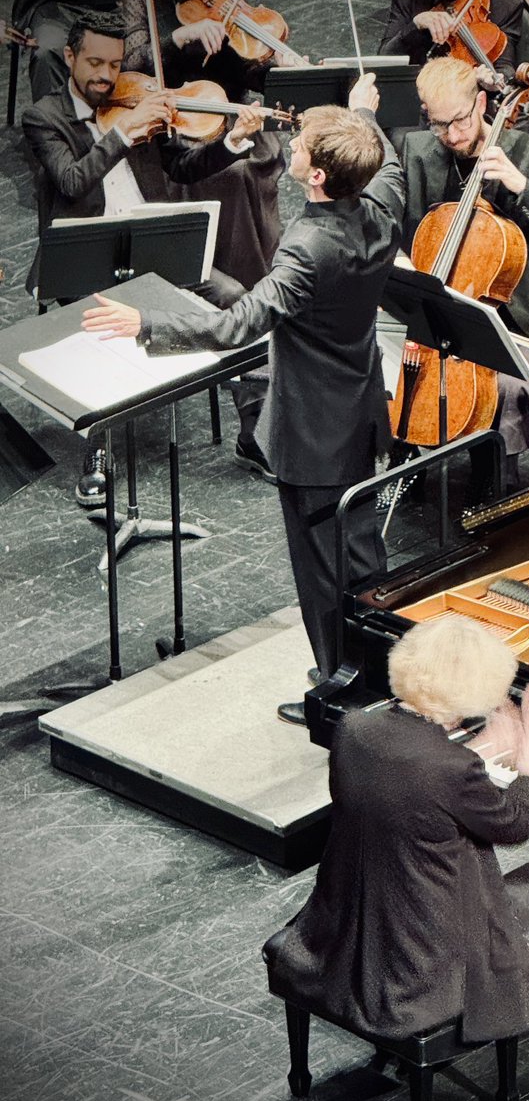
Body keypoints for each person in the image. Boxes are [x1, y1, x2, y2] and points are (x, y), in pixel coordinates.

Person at [81, 74, 405, 725]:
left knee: (321, 573)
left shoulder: (307, 249)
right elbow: (385, 155)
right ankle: (388, 675)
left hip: (312, 431)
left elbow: (235, 327)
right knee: (364, 551)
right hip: (360, 407)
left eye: (303, 147)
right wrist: (362, 112)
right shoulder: (383, 203)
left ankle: (340, 692)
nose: (290, 149)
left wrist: (146, 323)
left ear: (317, 178)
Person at [262, 616, 529, 1042]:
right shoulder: (450, 767)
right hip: (420, 958)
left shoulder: (354, 729)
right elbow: (515, 825)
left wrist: (485, 748)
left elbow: (410, 789)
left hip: (349, 917)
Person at [21, 8, 267, 506]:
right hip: (85, 257)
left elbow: (183, 166)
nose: (106, 77)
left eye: (114, 65)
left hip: (155, 248)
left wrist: (232, 142)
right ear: (69, 57)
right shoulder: (44, 117)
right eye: (93, 63)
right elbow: (71, 181)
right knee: (98, 330)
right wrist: (123, 132)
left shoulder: (137, 103)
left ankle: (256, 433)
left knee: (236, 298)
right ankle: (98, 450)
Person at [402, 56, 529, 491]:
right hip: (436, 304)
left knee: (507, 385)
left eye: (460, 121)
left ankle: (499, 474)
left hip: (512, 314)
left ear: (482, 102)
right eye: (439, 125)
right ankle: (405, 460)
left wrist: (522, 188)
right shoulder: (418, 150)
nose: (453, 135)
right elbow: (400, 230)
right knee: (385, 362)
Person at [120, 0, 294, 292]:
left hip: (230, 105)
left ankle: (265, 277)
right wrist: (181, 36)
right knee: (232, 173)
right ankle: (233, 286)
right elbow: (131, 62)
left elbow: (246, 69)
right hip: (180, 112)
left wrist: (279, 69)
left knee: (256, 156)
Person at [379, 0, 523, 81]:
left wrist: (488, 82)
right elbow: (385, 58)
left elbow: (504, 69)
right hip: (418, 91)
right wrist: (416, 24)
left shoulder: (505, 0)